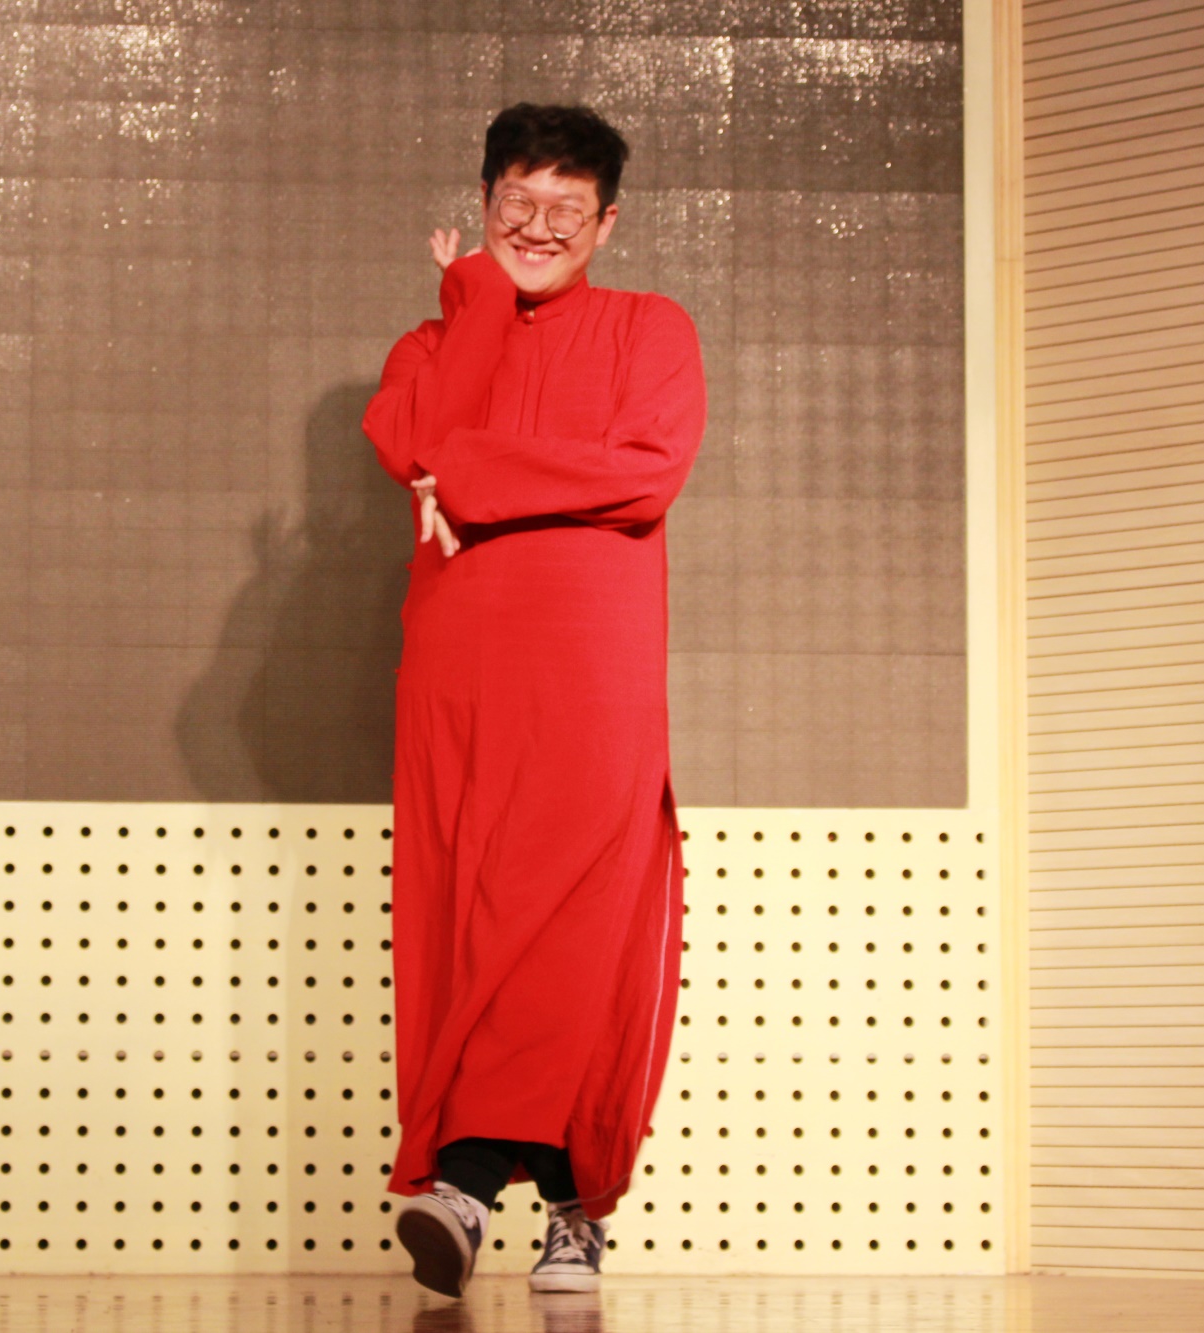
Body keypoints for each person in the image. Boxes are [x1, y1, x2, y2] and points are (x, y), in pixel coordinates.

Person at [361, 103, 707, 1299]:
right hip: (458, 664)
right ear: (483, 204)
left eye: (567, 208)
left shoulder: (649, 327)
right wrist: (472, 304)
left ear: (606, 223)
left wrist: (467, 476)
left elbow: (643, 474)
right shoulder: (433, 337)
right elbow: (409, 441)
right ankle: (563, 1206)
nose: (540, 226)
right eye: (518, 203)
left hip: (592, 656)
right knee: (469, 913)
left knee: (574, 910)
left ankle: (467, 1179)